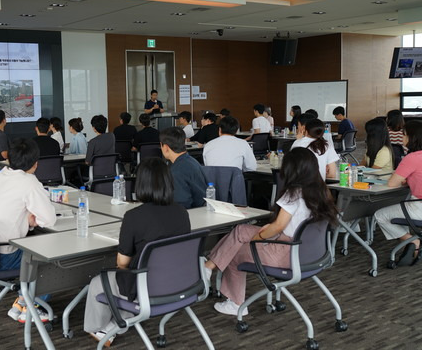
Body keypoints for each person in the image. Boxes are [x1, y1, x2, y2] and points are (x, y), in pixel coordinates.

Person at [203, 148, 337, 316]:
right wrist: (268, 231)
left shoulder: (294, 193)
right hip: (309, 252)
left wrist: (259, 237)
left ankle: (235, 303)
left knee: (234, 252)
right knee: (240, 230)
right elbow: (284, 225)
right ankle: (208, 267)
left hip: (285, 251)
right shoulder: (323, 191)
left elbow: (278, 226)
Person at [83, 157, 190, 345]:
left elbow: (122, 264)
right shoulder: (182, 212)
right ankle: (119, 321)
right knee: (126, 279)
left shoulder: (134, 216)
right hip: (178, 282)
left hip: (146, 286)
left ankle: (100, 330)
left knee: (98, 282)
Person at [0, 138, 56, 322]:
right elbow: (49, 219)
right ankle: (33, 306)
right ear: (36, 164)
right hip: (4, 255)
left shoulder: (3, 173)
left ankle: (21, 302)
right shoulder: (29, 182)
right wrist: (32, 220)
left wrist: (28, 220)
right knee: (50, 259)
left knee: (34, 247)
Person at [374, 120, 422, 265]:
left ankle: (413, 241)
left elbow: (392, 183)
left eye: (404, 135)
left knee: (380, 215)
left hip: (419, 207)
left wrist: (405, 179)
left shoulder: (412, 158)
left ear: (412, 137)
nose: (402, 138)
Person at [160, 127, 207, 209]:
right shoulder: (191, 161)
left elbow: (181, 205)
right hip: (201, 209)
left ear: (166, 147)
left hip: (191, 215)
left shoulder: (177, 171)